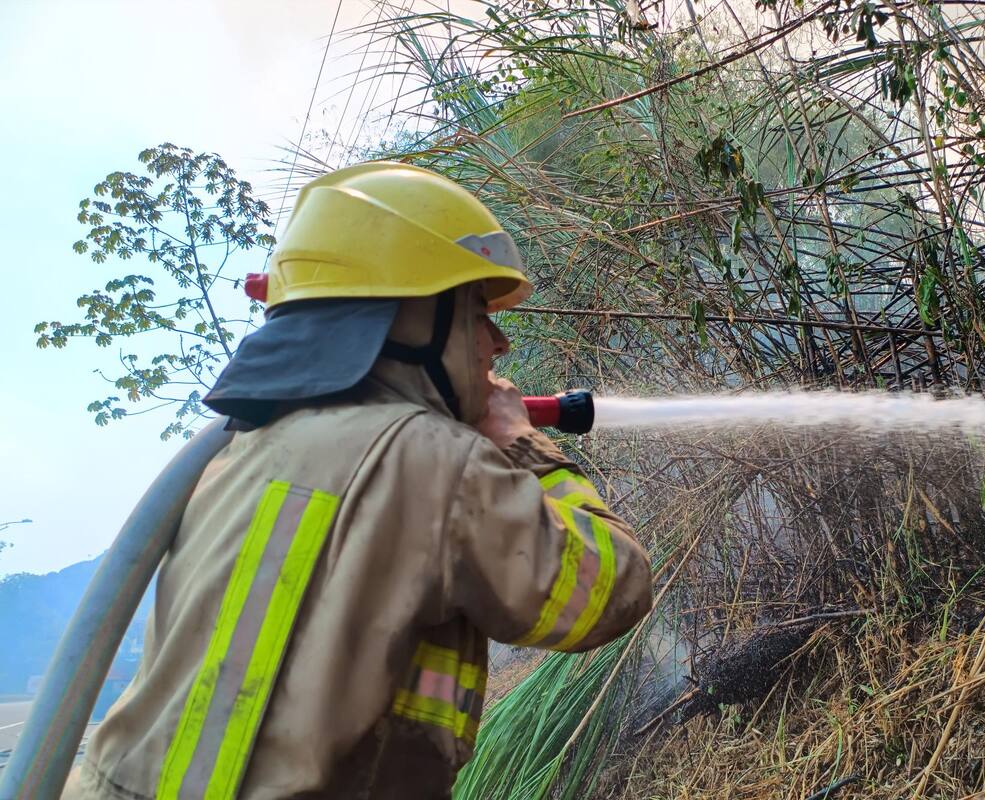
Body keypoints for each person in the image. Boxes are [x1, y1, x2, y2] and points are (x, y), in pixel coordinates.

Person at [63, 163, 653, 800]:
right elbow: (613, 588)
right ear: (414, 320)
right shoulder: (431, 459)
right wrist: (519, 441)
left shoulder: (242, 454)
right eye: (476, 312)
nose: (497, 342)